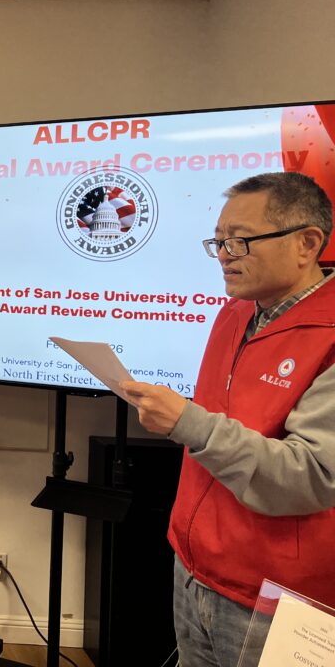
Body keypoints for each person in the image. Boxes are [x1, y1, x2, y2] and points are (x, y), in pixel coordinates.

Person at [120, 172, 335, 667]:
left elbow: (313, 475)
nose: (224, 255)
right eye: (218, 242)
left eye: (240, 241)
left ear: (307, 244)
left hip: (275, 598)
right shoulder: (236, 312)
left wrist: (187, 423)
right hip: (194, 569)